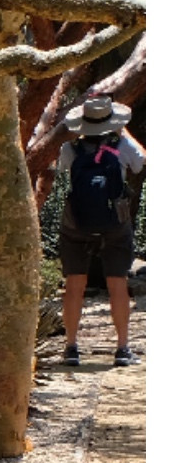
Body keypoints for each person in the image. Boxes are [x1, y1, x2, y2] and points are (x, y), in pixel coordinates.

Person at [54, 94, 144, 366]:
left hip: (76, 225)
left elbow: (61, 172)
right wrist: (124, 132)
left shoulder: (70, 150)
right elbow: (142, 163)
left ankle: (71, 347)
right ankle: (122, 348)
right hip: (116, 224)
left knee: (74, 285)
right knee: (117, 284)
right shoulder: (123, 145)